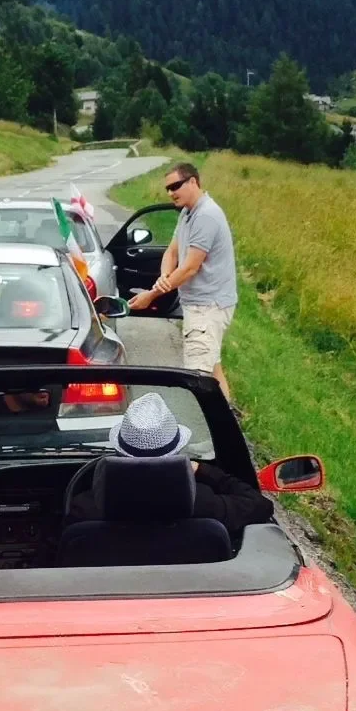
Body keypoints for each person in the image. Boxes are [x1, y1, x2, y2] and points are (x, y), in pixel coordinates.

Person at [65, 393, 273, 545]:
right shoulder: (204, 504)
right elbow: (259, 505)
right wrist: (203, 470)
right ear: (176, 452)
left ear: (120, 453)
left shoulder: (85, 509)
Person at [128, 161, 239, 404]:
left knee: (198, 377)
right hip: (199, 306)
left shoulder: (207, 215)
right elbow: (172, 253)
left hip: (208, 307)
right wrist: (164, 277)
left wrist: (152, 295)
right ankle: (229, 423)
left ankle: (216, 430)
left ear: (193, 182)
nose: (170, 192)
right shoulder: (188, 213)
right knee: (212, 365)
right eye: (167, 188)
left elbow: (189, 268)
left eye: (175, 186)